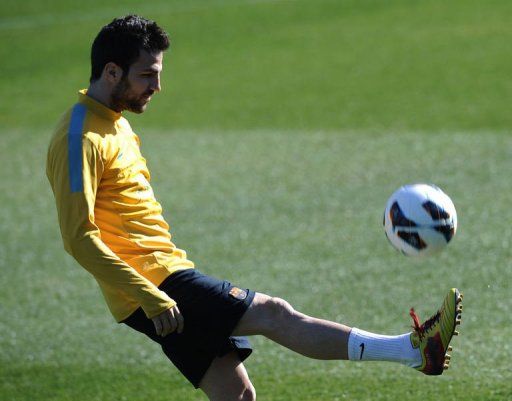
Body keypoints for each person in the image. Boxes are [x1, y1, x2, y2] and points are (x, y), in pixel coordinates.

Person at [46, 15, 463, 401]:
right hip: (153, 286)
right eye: (147, 76)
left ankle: (414, 353)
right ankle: (412, 350)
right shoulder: (79, 139)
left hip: (162, 279)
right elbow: (78, 239)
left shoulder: (116, 121)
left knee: (238, 397)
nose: (157, 87)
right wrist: (149, 296)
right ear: (112, 72)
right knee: (273, 313)